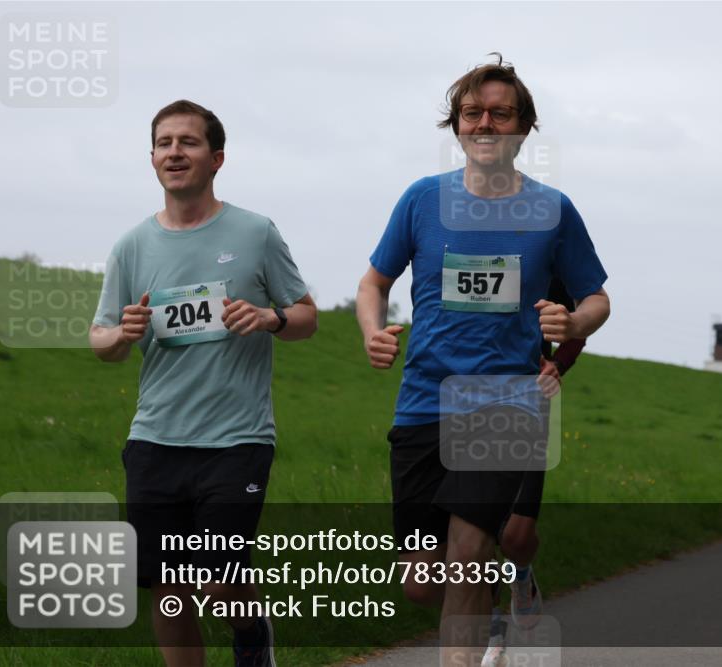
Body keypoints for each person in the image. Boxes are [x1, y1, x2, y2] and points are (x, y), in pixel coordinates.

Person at [355, 55, 609, 666]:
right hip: (422, 403)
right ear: (458, 125)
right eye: (473, 113)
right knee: (423, 580)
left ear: (523, 127)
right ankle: (496, 608)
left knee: (467, 556)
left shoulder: (554, 210)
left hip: (504, 403)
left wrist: (574, 322)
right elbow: (373, 282)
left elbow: (597, 297)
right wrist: (372, 331)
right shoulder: (422, 200)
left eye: (501, 113)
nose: (486, 123)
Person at [89, 100, 317, 667]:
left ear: (216, 158)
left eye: (187, 142)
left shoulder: (255, 232)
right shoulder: (131, 246)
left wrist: (270, 318)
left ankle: (250, 632)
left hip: (236, 440)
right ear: (151, 159)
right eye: (164, 143)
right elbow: (100, 340)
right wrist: (123, 333)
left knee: (216, 583)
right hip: (156, 438)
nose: (174, 152)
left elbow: (307, 315)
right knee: (169, 595)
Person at [482, 277, 586, 667]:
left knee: (517, 535)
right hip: (465, 398)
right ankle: (495, 640)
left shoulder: (546, 264)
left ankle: (522, 574)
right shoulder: (462, 254)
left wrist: (557, 364)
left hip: (528, 401)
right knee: (476, 533)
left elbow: (577, 327)